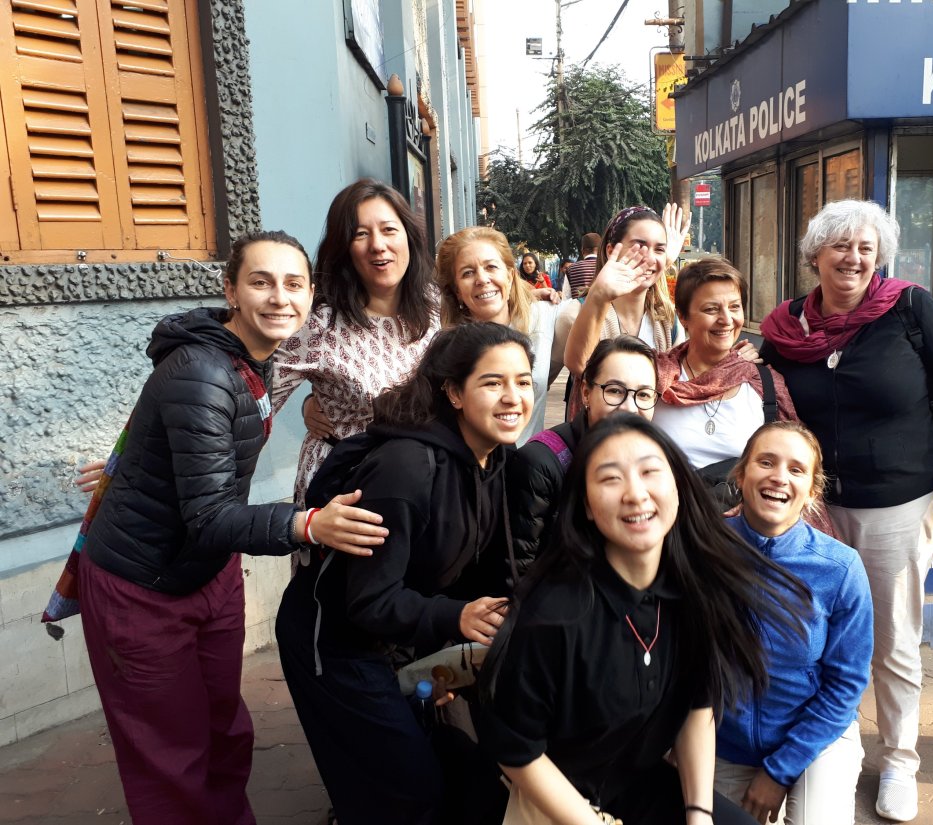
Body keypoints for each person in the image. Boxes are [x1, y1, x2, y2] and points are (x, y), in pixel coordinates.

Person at [76, 231, 386, 825]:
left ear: (311, 295)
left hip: (208, 573)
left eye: (293, 284)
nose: (279, 298)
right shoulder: (202, 370)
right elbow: (211, 514)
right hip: (144, 586)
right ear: (231, 291)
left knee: (225, 731)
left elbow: (190, 446)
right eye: (261, 282)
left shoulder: (255, 361)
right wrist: (309, 525)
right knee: (171, 759)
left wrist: (131, 464)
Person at [760, 199, 933, 822]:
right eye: (841, 246)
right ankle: (818, 748)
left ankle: (898, 761)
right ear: (815, 255)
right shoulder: (786, 330)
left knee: (892, 640)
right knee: (809, 637)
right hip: (810, 511)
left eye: (866, 247)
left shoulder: (910, 311)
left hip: (896, 507)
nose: (854, 258)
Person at [476, 415, 809, 825]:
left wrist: (698, 814)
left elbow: (697, 705)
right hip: (555, 801)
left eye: (650, 472)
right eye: (610, 478)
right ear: (587, 506)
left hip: (637, 785)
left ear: (678, 486)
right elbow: (518, 752)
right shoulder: (556, 613)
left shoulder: (693, 590)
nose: (635, 494)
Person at [275, 322, 533, 825]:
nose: (513, 397)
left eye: (522, 381)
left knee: (443, 778)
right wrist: (455, 617)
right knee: (406, 792)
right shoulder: (407, 468)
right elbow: (369, 600)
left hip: (397, 640)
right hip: (334, 645)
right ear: (454, 393)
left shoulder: (494, 459)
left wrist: (444, 654)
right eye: (493, 382)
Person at [716, 421, 873, 825]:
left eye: (796, 469)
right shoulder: (705, 548)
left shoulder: (840, 568)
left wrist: (779, 770)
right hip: (724, 744)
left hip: (816, 739)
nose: (779, 477)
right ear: (741, 475)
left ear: (812, 491)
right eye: (766, 462)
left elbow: (846, 683)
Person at [271, 178, 440, 506]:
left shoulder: (434, 305)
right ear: (343, 247)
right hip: (346, 488)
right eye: (360, 234)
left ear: (409, 236)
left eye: (389, 230)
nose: (378, 245)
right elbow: (254, 403)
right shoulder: (319, 323)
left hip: (424, 480)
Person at [510, 335, 659, 573]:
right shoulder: (541, 464)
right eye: (615, 391)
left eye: (643, 395)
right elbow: (518, 571)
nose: (629, 407)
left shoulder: (654, 466)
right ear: (586, 393)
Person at [650, 257, 796, 478]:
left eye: (735, 307)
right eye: (711, 309)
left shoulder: (765, 384)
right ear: (682, 316)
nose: (727, 319)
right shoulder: (656, 380)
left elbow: (793, 459)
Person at [435, 225, 573, 441]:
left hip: (526, 457)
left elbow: (583, 318)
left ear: (509, 276)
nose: (482, 279)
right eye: (468, 273)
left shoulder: (542, 316)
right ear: (457, 291)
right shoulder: (446, 346)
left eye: (491, 267)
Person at [563, 205, 689, 378]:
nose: (650, 258)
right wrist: (599, 295)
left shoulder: (668, 321)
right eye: (639, 246)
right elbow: (581, 366)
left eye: (659, 249)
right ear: (610, 251)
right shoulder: (574, 312)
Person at [565, 232, 602, 299]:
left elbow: (566, 297)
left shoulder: (571, 269)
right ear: (600, 250)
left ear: (582, 251)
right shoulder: (607, 267)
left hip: (579, 306)